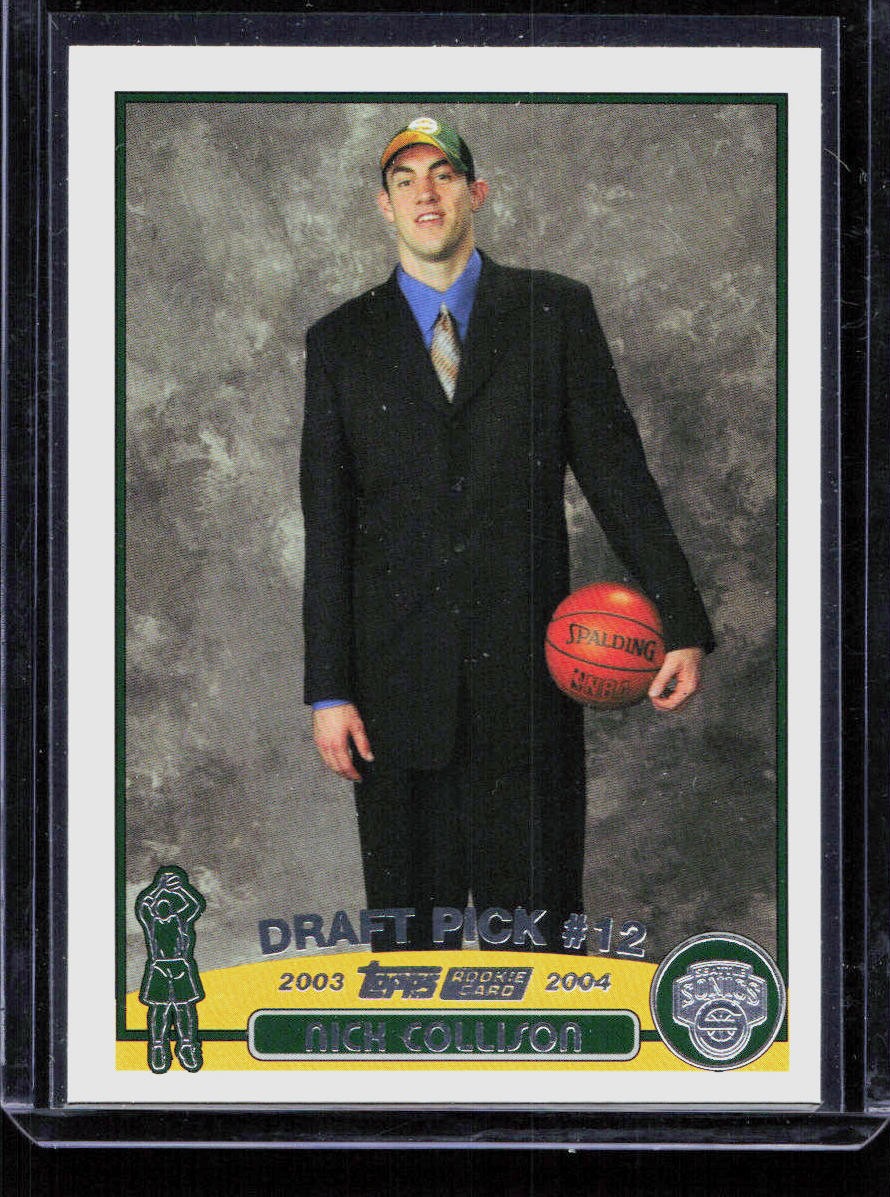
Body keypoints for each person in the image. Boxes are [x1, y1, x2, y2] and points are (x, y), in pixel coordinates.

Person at [300, 117, 714, 953]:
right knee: (410, 962)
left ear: (476, 193)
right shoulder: (340, 341)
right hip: (395, 696)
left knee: (540, 951)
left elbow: (619, 478)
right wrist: (328, 691)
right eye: (406, 179)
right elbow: (329, 528)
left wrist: (683, 620)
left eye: (444, 175)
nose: (426, 192)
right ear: (384, 205)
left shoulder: (554, 312)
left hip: (528, 693)